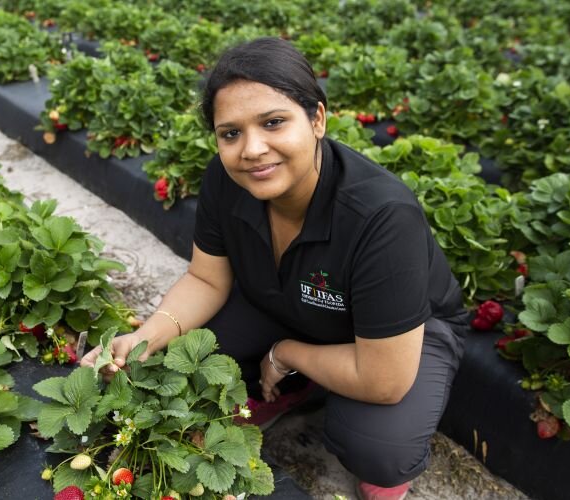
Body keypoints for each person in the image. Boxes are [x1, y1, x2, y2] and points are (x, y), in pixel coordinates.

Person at [82, 37, 468, 500]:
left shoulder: (381, 217)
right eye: (231, 133)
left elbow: (385, 381)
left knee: (376, 445)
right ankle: (300, 385)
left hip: (400, 339)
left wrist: (285, 352)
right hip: (288, 300)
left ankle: (304, 378)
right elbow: (206, 279)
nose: (252, 149)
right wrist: (145, 335)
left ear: (317, 119)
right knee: (187, 357)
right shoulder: (226, 182)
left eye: (273, 122)